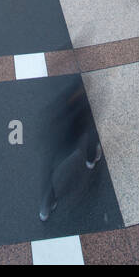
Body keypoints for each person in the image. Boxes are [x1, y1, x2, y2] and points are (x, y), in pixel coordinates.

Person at [39, 78, 102, 222]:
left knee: (47, 169)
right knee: (92, 131)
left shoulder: (60, 100)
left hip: (58, 140)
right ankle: (91, 159)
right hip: (75, 133)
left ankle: (46, 205)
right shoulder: (84, 103)